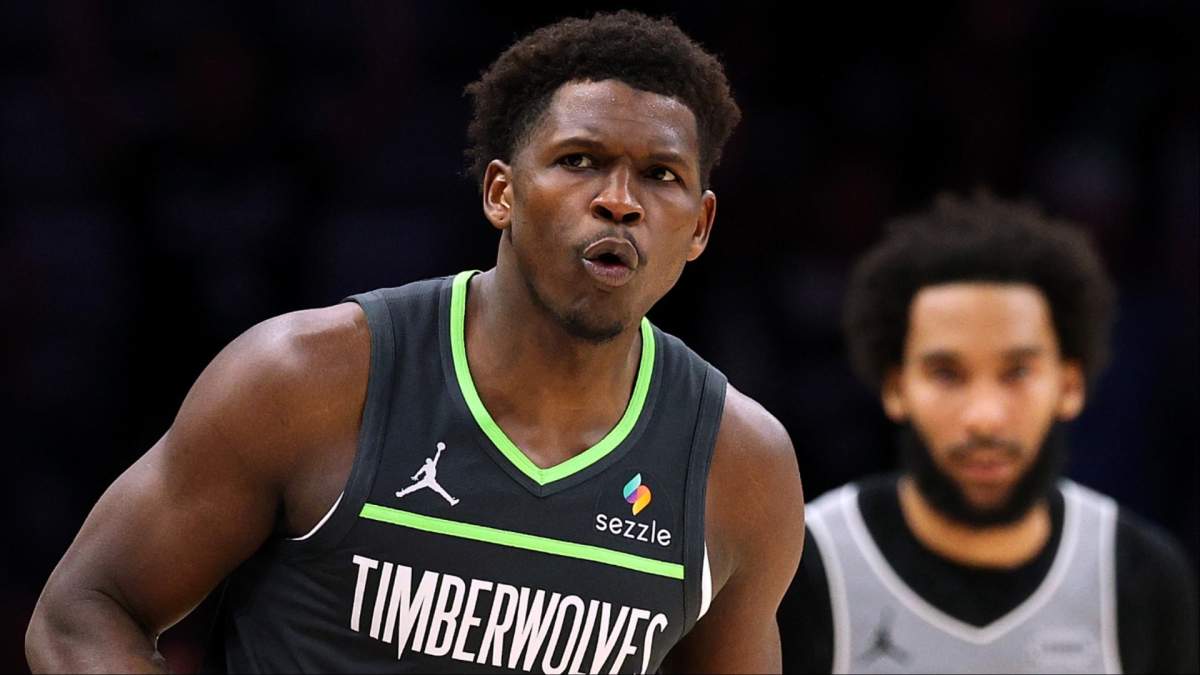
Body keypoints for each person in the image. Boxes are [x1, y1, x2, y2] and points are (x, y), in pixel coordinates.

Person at [26, 11, 805, 674]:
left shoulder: (741, 466)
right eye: (580, 161)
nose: (619, 202)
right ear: (500, 193)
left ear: (699, 226)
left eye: (661, 175)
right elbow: (85, 610)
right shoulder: (307, 380)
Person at [778, 193, 1198, 674]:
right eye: (946, 374)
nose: (984, 417)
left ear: (1070, 385)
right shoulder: (803, 564)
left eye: (1017, 372)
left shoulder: (1143, 574)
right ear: (896, 387)